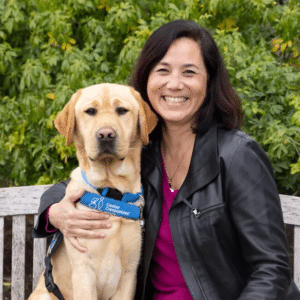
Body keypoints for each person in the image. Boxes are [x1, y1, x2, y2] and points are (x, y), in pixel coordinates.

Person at [33, 20, 300, 299]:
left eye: (189, 72)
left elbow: (272, 269)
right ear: (147, 79)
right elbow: (75, 182)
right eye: (163, 70)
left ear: (209, 82)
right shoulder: (142, 153)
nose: (174, 84)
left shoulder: (237, 157)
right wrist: (53, 212)